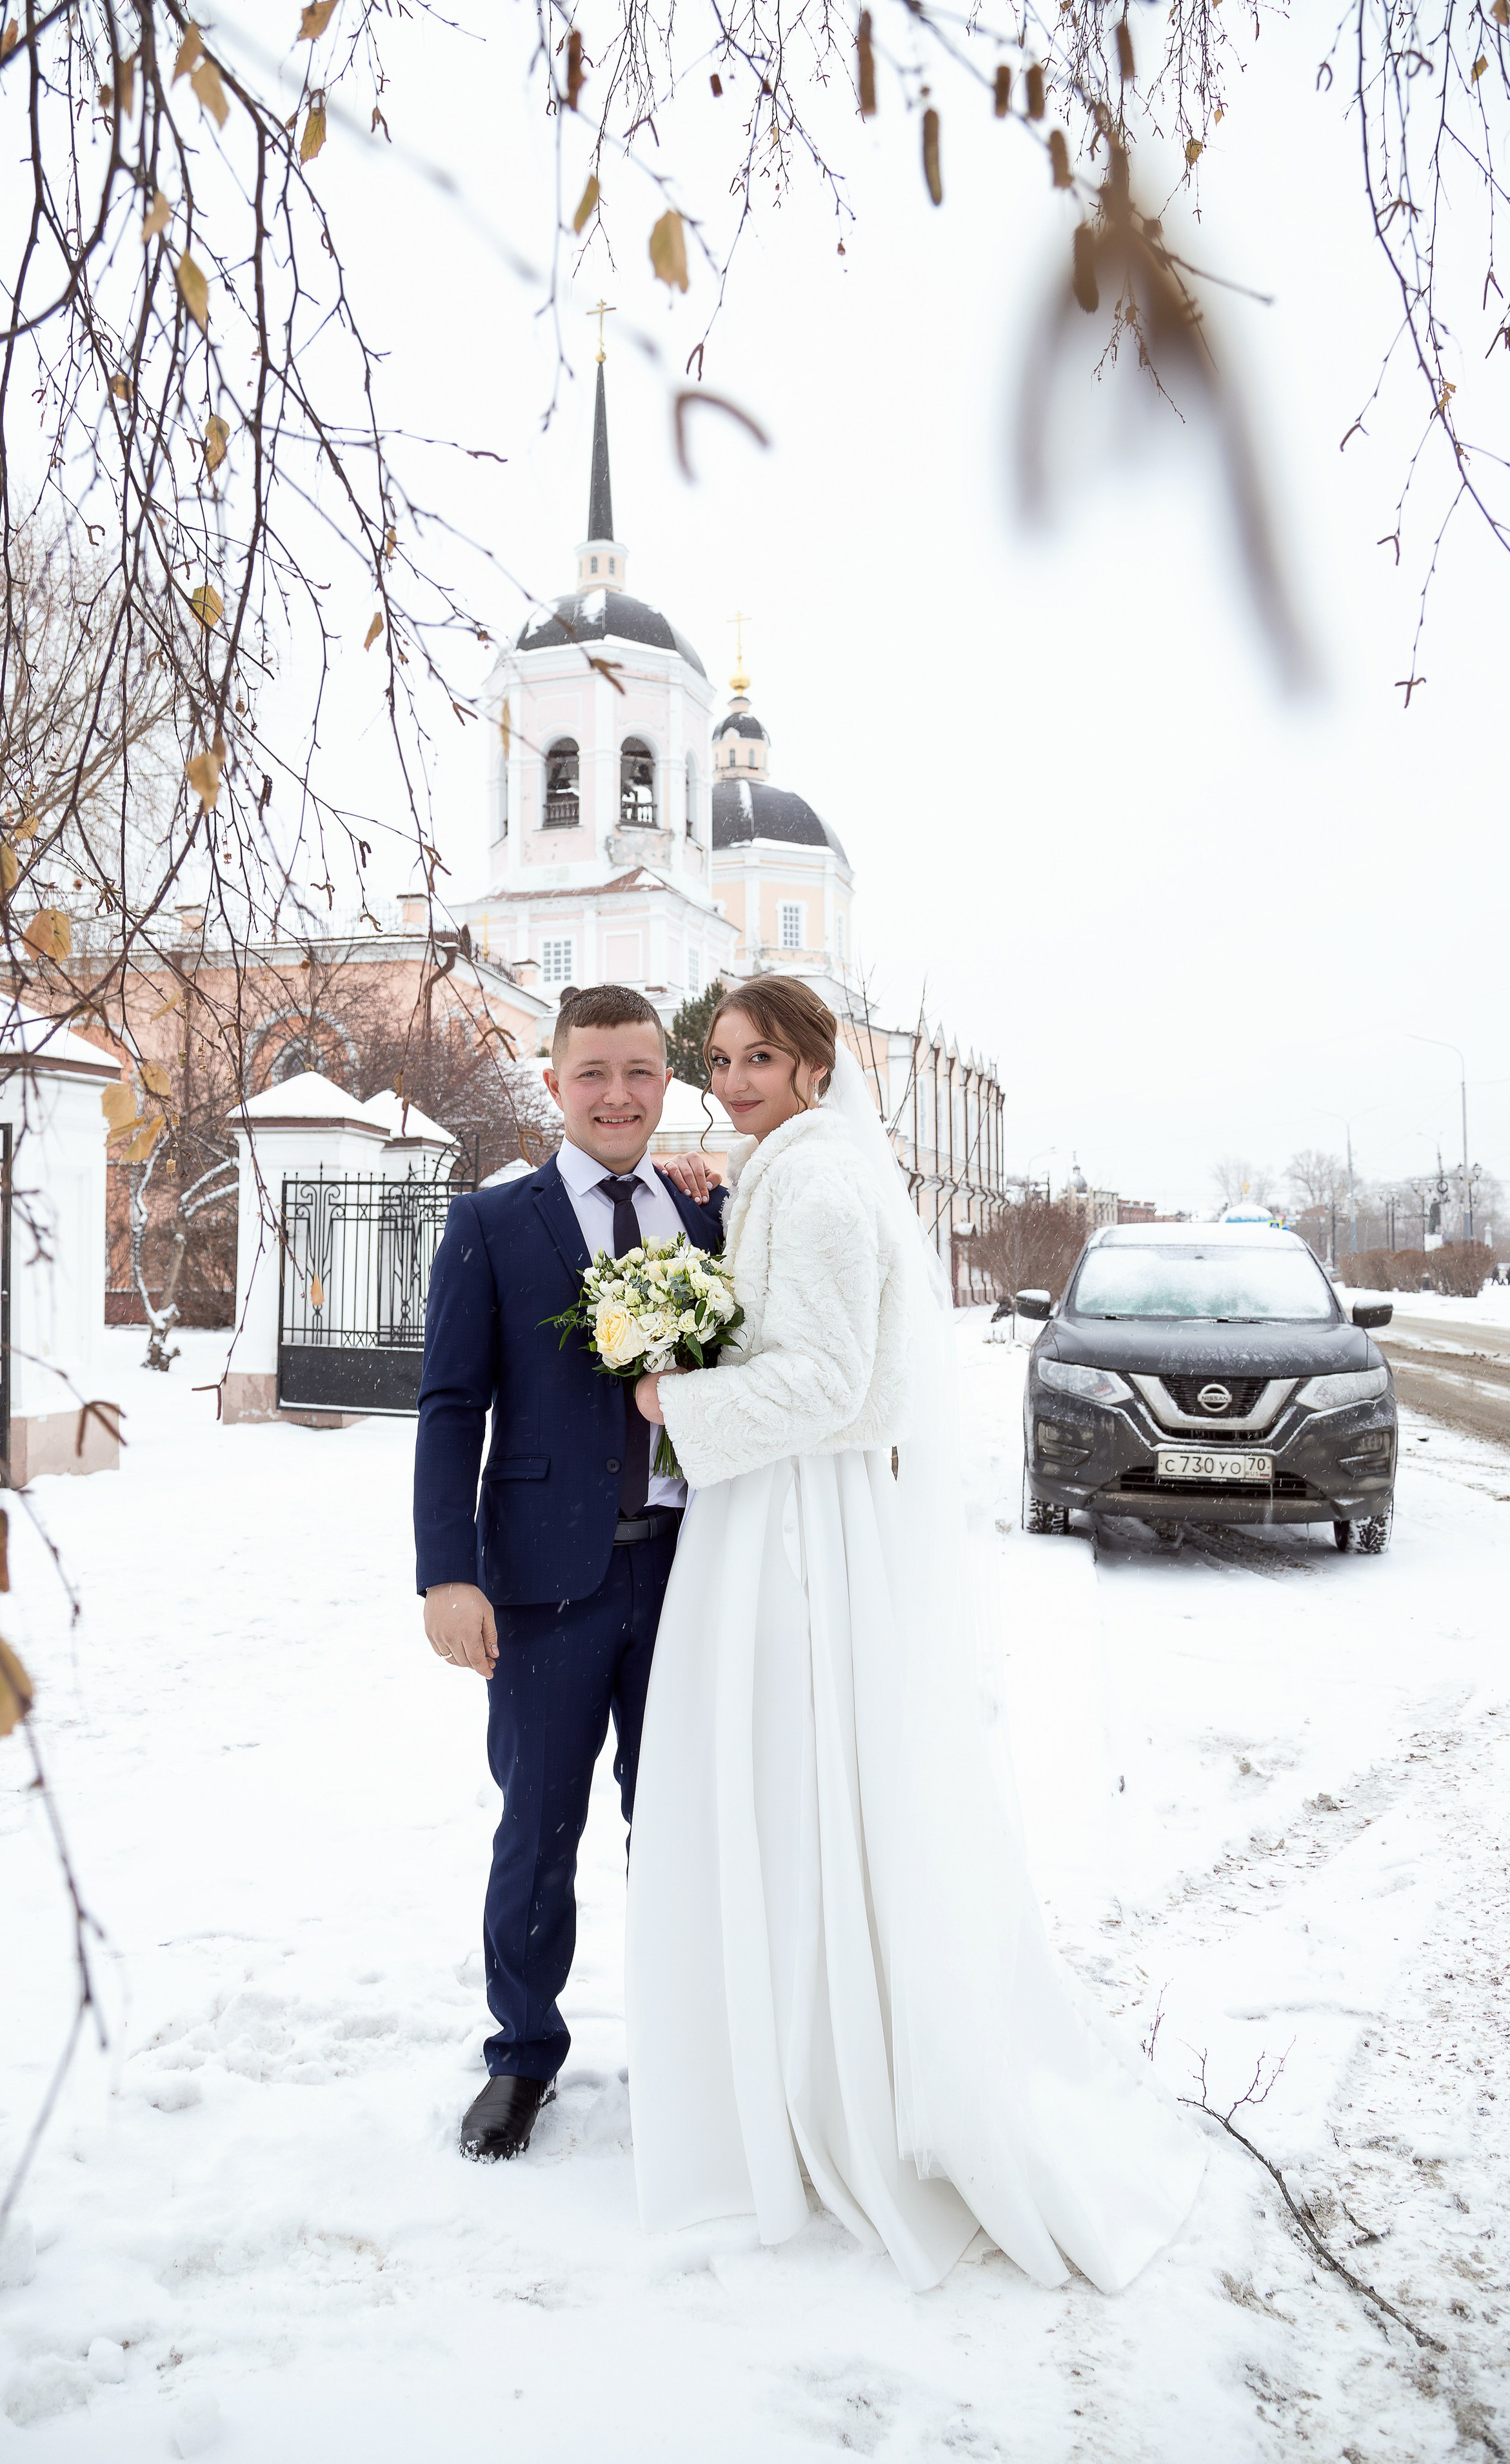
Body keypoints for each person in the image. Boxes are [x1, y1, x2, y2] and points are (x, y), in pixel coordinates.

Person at [625, 976, 1204, 2292]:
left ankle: (824, 2074)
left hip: (794, 1518)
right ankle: (795, 2052)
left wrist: (675, 1396)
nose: (732, 1081)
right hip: (774, 1505)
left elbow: (829, 1382)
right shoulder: (796, 1167)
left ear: (816, 1066)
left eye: (757, 1058)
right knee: (796, 1787)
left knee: (798, 1781)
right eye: (718, 1059)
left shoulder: (819, 1186)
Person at [413, 984, 724, 2163]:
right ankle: (523, 2055)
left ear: (666, 1083)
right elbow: (450, 1408)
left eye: (640, 1072)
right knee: (540, 1826)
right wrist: (449, 1574)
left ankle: (685, 2041)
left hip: (697, 1575)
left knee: (684, 1825)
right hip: (545, 1587)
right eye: (592, 1073)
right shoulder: (494, 1224)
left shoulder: (710, 1216)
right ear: (554, 1084)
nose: (617, 1096)